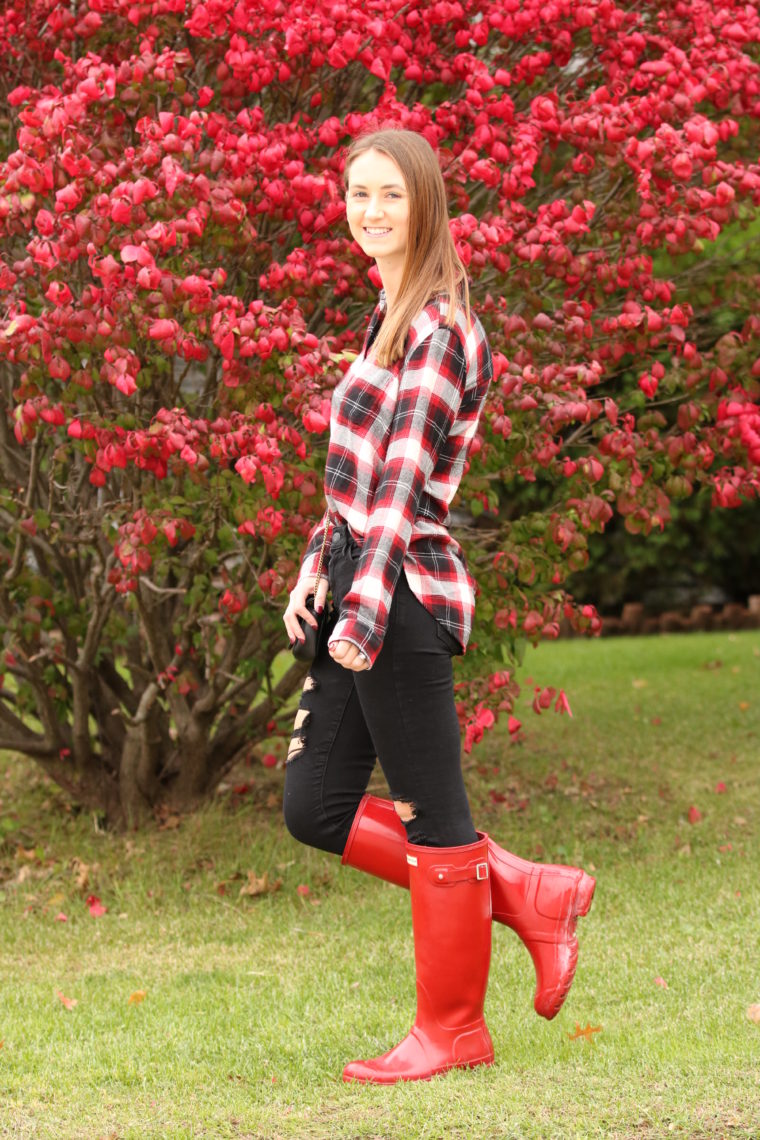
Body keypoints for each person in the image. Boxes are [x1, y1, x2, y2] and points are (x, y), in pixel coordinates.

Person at [282, 128, 595, 1085]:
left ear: (426, 205)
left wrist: (362, 617)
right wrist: (313, 564)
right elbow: (354, 481)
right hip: (357, 577)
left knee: (433, 817)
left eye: (389, 196)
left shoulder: (438, 328)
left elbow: (400, 490)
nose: (369, 212)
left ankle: (454, 1029)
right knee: (315, 804)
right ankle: (527, 891)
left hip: (398, 596)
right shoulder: (387, 312)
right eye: (356, 195)